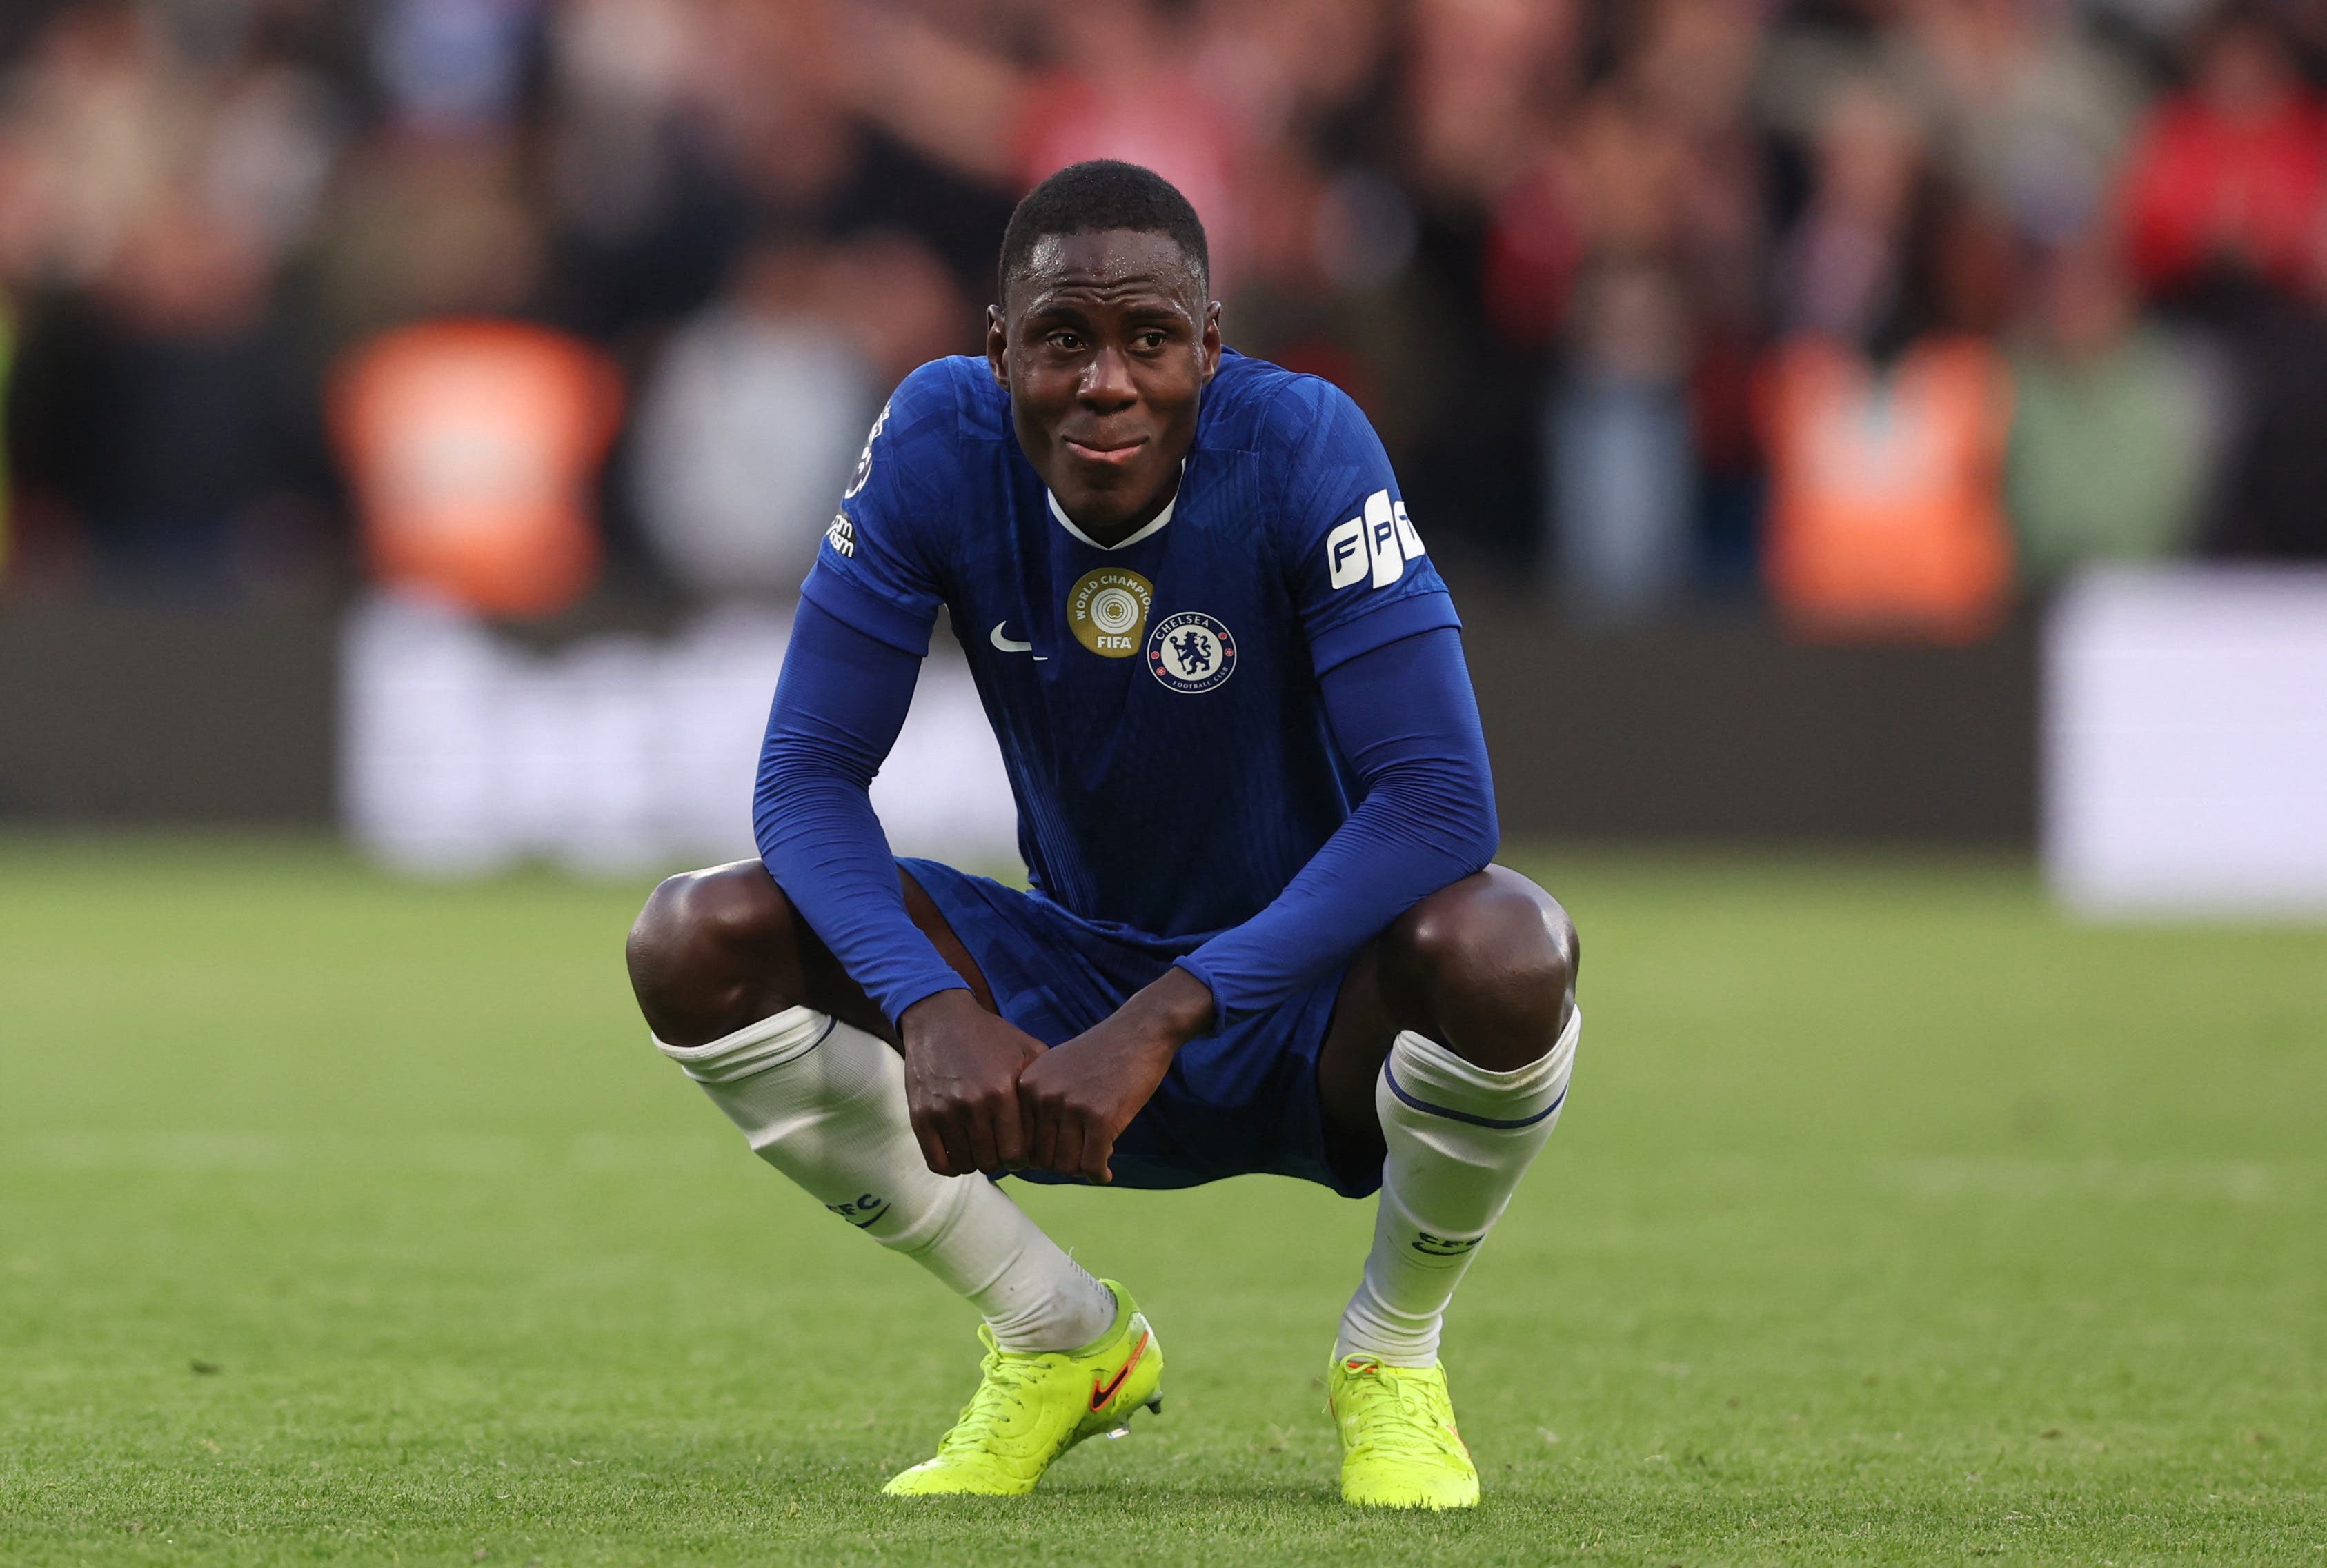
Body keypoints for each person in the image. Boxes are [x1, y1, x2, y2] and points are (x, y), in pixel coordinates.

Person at [624, 161, 1581, 1510]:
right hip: (1069, 987)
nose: (1107, 382)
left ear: (1211, 346)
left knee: (1509, 945)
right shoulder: (936, 439)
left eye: (1150, 340)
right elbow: (804, 779)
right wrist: (928, 1004)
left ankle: (1390, 1352)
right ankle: (1054, 1331)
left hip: (1312, 1001)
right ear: (999, 350)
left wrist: (1168, 1014)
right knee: (694, 938)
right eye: (1063, 339)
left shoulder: (1304, 445)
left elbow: (1439, 802)